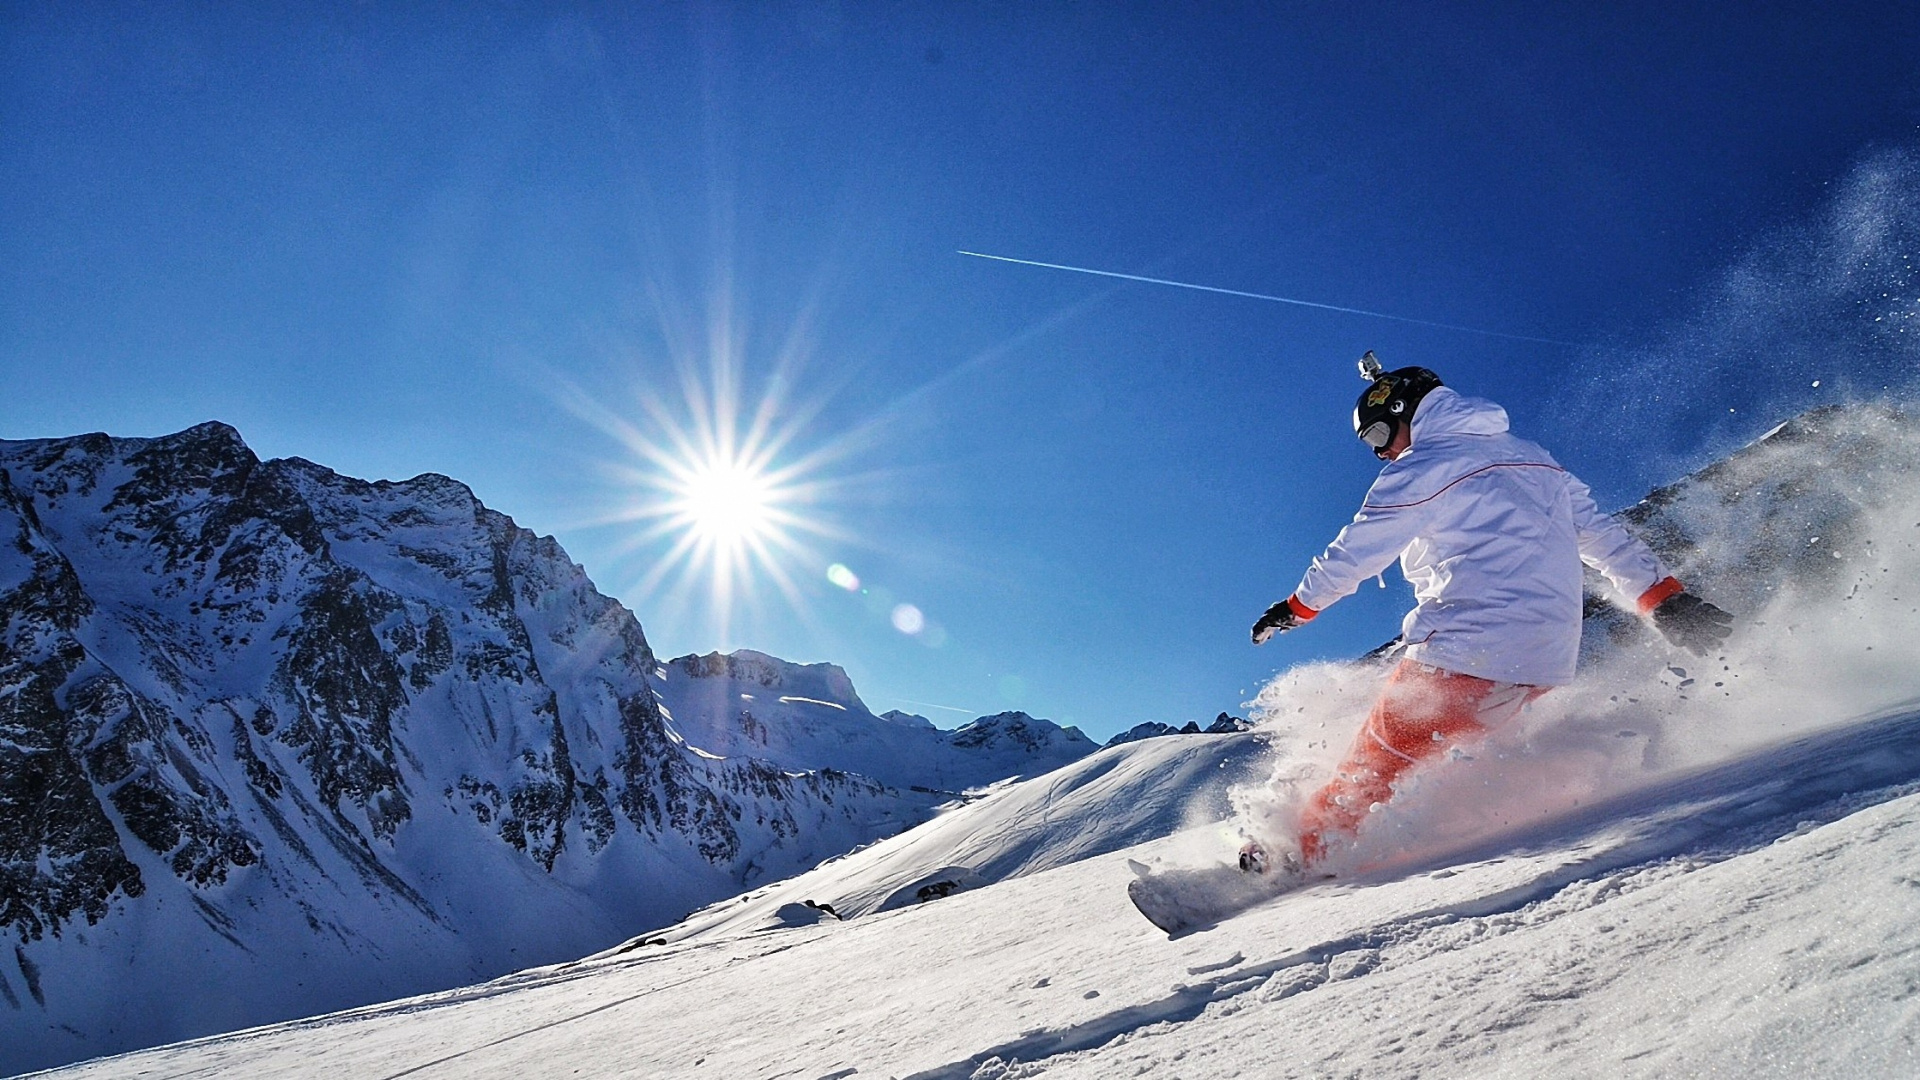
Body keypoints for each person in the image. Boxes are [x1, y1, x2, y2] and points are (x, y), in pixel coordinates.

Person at [1243, 353, 1732, 874]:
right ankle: (1383, 843)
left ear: (1405, 410)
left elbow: (1355, 551)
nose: (1382, 453)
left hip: (1468, 646)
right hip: (1543, 661)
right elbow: (1602, 536)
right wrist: (1661, 597)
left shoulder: (1422, 468)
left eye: (1379, 435)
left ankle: (1292, 860)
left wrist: (1297, 608)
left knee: (1377, 761)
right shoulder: (1536, 459)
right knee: (1433, 763)